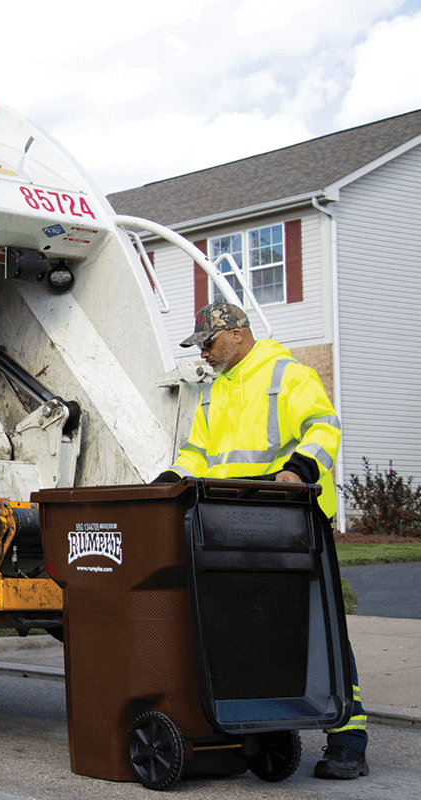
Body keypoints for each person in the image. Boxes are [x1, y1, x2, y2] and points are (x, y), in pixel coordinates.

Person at [155, 302, 368, 780]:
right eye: (200, 347)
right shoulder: (215, 391)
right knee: (253, 628)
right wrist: (167, 481)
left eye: (208, 343)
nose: (204, 354)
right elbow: (197, 454)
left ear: (237, 333)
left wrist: (300, 471)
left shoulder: (285, 374)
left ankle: (349, 742)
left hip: (292, 520)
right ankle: (266, 724)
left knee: (318, 628)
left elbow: (323, 427)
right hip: (232, 522)